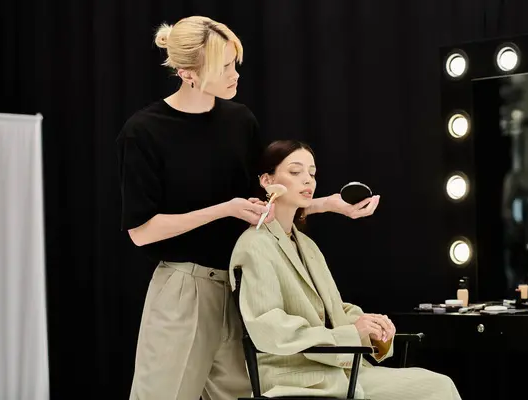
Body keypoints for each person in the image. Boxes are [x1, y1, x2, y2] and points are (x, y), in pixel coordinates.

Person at [116, 16, 380, 400]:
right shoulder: (144, 132)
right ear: (188, 73)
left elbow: (264, 203)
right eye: (224, 67)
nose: (235, 74)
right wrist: (222, 209)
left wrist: (329, 205)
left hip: (244, 288)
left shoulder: (239, 121)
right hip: (184, 291)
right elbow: (141, 231)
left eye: (235, 62)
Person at [229, 140, 462, 400]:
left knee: (438, 384)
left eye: (312, 173)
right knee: (437, 388)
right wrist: (353, 332)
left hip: (340, 372)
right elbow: (269, 327)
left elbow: (333, 309)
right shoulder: (254, 245)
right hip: (298, 377)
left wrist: (371, 326)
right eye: (296, 172)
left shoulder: (305, 245)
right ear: (266, 180)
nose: (308, 180)